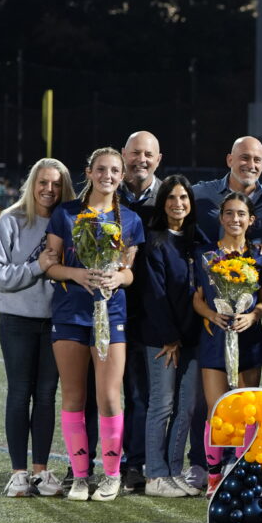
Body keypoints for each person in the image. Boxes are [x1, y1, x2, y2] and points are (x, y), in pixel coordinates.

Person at [43, 147, 146, 501]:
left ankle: (112, 475)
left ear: (122, 175)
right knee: (73, 396)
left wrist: (118, 280)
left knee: (109, 396)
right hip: (71, 312)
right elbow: (50, 265)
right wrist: (77, 274)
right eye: (101, 169)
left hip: (111, 315)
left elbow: (129, 272)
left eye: (115, 170)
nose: (108, 175)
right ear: (88, 172)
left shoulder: (130, 219)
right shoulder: (66, 213)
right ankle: (81, 477)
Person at [0, 158, 78, 497]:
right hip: (17, 320)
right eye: (43, 182)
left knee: (45, 396)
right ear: (32, 184)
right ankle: (18, 472)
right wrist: (36, 267)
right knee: (19, 392)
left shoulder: (68, 221)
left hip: (57, 320)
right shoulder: (11, 220)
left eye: (56, 184)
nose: (49, 189)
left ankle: (41, 471)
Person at [193, 192, 262, 496]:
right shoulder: (205, 255)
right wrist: (211, 315)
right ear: (221, 218)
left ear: (251, 220)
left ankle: (240, 470)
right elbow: (198, 299)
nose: (235, 219)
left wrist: (253, 317)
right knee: (216, 409)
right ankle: (214, 475)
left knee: (247, 409)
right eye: (229, 214)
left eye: (241, 214)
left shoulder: (260, 255)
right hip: (215, 336)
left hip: (249, 338)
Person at [137, 175, 204, 498]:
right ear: (162, 203)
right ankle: (155, 475)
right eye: (172, 198)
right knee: (162, 405)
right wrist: (169, 337)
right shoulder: (155, 240)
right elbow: (155, 293)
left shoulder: (196, 240)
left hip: (194, 337)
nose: (178, 204)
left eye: (184, 198)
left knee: (187, 407)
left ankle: (174, 472)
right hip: (162, 339)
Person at [119, 130, 166, 493]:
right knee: (97, 393)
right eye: (135, 153)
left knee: (143, 394)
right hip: (107, 308)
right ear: (123, 154)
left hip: (151, 312)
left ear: (159, 158)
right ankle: (88, 463)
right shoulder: (102, 193)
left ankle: (135, 463)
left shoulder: (170, 198)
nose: (141, 160)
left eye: (148, 154)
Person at [192, 136, 262, 244]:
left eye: (257, 160)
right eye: (245, 158)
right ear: (230, 160)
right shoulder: (201, 193)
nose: (251, 165)